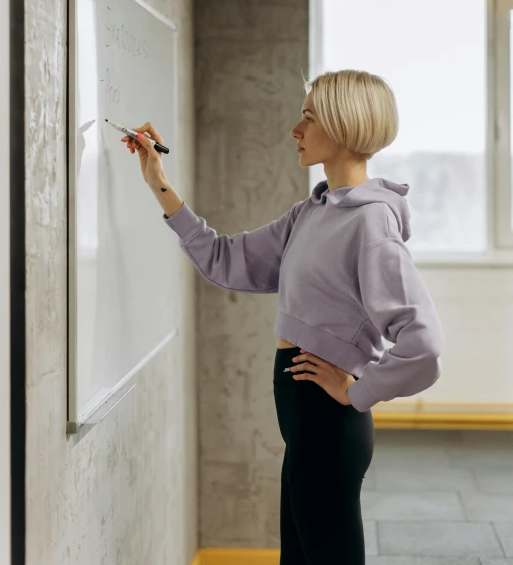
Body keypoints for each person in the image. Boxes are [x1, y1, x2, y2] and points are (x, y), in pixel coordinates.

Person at [121, 68, 446, 565]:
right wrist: (158, 183)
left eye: (309, 118)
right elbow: (225, 259)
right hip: (301, 414)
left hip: (328, 421)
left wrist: (356, 390)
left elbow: (424, 348)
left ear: (343, 127)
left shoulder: (371, 221)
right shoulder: (312, 213)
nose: (295, 130)